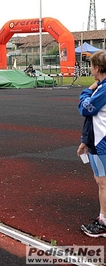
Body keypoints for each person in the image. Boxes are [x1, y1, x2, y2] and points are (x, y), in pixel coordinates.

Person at [77, 50, 106, 238]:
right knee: (100, 181)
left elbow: (86, 108)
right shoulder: (101, 87)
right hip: (96, 140)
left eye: (91, 66)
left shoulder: (103, 88)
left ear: (97, 68)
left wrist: (86, 91)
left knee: (104, 183)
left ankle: (104, 222)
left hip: (103, 141)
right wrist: (84, 141)